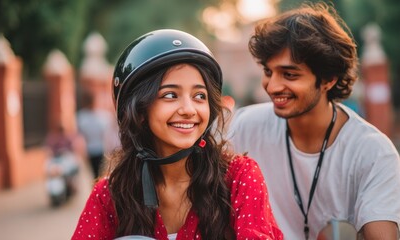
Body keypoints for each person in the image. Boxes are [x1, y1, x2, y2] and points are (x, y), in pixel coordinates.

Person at [72, 29, 283, 240]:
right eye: (170, 95)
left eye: (199, 96)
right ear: (139, 110)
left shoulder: (239, 177)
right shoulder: (109, 195)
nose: (189, 109)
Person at [228, 2, 400, 240]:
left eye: (289, 74)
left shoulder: (373, 152)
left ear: (328, 79)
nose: (273, 85)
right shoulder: (245, 126)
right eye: (268, 72)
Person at [77, 92, 116, 179]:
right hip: (97, 149)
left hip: (96, 149)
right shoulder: (102, 116)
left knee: (97, 174)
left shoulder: (82, 117)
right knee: (98, 174)